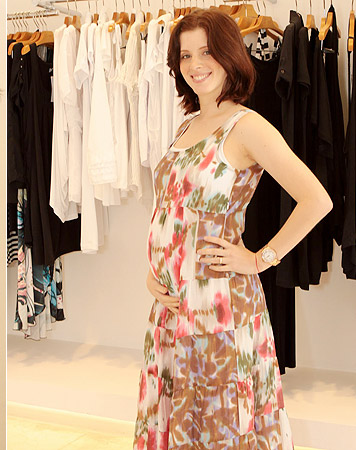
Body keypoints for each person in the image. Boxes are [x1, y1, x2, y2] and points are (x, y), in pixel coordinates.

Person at [135, 9, 331, 449]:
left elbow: (317, 200)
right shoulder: (187, 125)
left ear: (229, 55)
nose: (195, 64)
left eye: (206, 52)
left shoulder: (246, 126)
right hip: (172, 307)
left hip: (218, 306)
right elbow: (171, 210)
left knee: (221, 425)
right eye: (185, 55)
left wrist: (260, 259)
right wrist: (154, 270)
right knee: (178, 421)